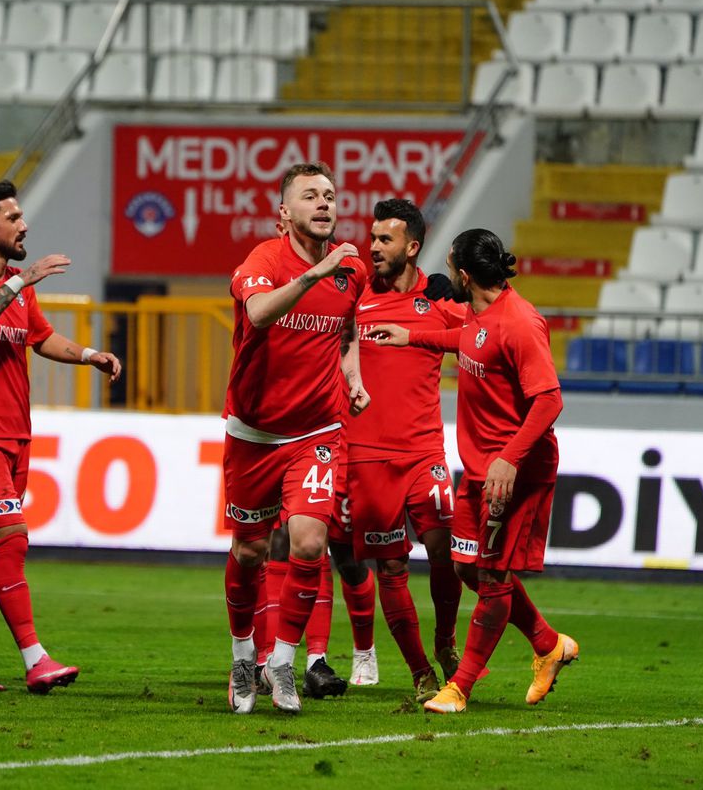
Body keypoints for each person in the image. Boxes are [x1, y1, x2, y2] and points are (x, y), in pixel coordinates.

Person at [370, 228, 578, 714]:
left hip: (517, 471)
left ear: (464, 276)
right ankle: (548, 643)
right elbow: (464, 339)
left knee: (493, 573)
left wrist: (510, 458)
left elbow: (549, 400)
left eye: (449, 267)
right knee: (467, 567)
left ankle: (459, 688)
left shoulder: (521, 323)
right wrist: (412, 337)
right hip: (480, 469)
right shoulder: (479, 316)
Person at [0, 181, 121, 694]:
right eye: (14, 217)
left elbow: (40, 337)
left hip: (16, 434)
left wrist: (87, 355)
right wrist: (18, 284)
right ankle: (35, 658)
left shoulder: (20, 286)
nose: (25, 225)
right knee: (11, 537)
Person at [223, 162, 369, 714]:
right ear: (285, 213)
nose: (324, 204)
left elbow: (349, 329)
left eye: (330, 195)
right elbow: (258, 313)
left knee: (309, 542)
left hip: (319, 431)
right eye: (310, 196)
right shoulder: (265, 260)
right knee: (250, 549)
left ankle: (283, 662)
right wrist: (312, 274)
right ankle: (244, 655)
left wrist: (352, 376)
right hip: (253, 433)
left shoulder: (349, 272)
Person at [347, 199, 468, 703]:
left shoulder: (437, 299)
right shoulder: (354, 298)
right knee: (391, 567)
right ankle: (421, 672)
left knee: (446, 551)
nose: (374, 247)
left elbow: (482, 337)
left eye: (385, 240)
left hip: (424, 452)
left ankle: (444, 637)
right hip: (366, 455)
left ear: (412, 247)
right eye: (372, 238)